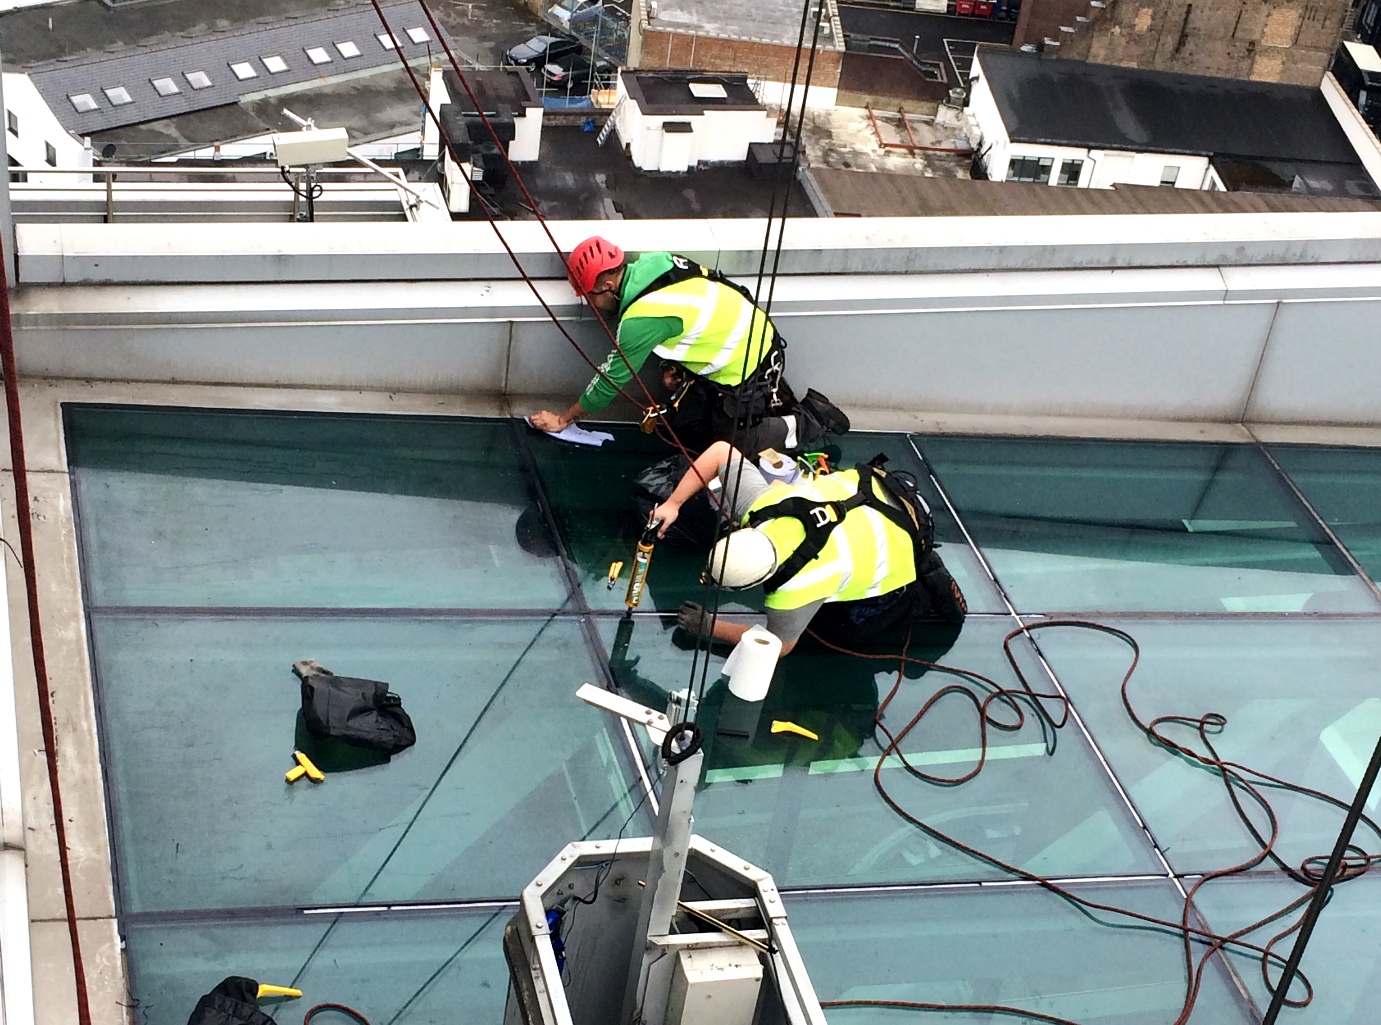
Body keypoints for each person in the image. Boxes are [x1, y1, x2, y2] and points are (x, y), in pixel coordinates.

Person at [530, 237, 849, 454]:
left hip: (747, 365)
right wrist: (676, 367)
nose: (592, 304)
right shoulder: (657, 263)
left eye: (590, 297)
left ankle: (809, 420)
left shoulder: (640, 320)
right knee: (684, 426)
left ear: (607, 285)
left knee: (729, 447)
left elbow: (610, 382)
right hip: (753, 334)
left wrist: (564, 419)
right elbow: (691, 314)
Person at [651, 441, 966, 656]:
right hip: (880, 491)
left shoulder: (796, 589)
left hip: (907, 539)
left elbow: (779, 646)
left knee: (841, 629)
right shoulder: (763, 505)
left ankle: (922, 594)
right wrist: (672, 504)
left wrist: (710, 627)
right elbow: (722, 451)